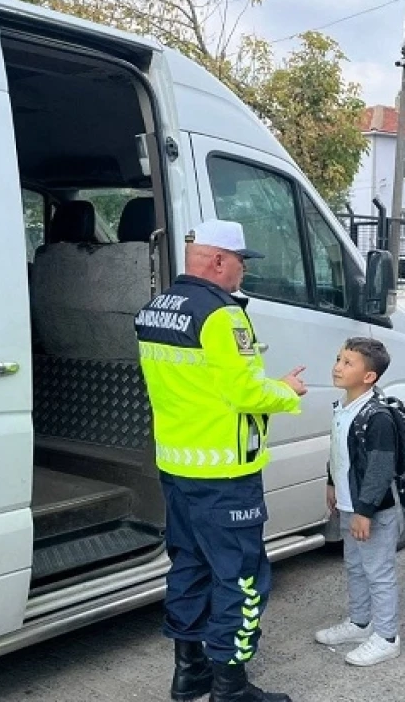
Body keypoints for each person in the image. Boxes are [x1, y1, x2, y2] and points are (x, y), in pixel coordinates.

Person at [135, 219, 308, 702]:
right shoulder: (222, 315)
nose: (242, 274)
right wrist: (287, 391)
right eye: (240, 263)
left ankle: (189, 675)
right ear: (218, 261)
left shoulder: (155, 308)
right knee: (241, 576)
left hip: (177, 463)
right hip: (225, 471)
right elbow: (244, 390)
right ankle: (231, 687)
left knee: (188, 566)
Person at [314, 338, 402, 667]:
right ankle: (361, 623)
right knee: (355, 566)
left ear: (370, 377)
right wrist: (332, 482)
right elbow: (339, 450)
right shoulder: (343, 408)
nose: (338, 366)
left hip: (372, 508)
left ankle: (387, 636)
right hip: (352, 504)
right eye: (339, 359)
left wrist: (365, 511)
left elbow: (380, 469)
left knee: (378, 571)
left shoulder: (376, 416)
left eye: (348, 362)